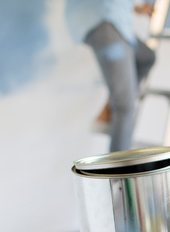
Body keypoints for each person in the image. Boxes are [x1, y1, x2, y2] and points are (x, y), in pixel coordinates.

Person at [65, 1, 156, 152]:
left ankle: (110, 109)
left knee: (146, 58)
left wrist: (134, 7)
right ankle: (118, 174)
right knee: (124, 107)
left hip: (113, 21)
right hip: (106, 23)